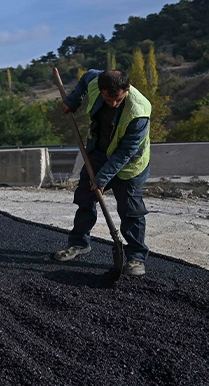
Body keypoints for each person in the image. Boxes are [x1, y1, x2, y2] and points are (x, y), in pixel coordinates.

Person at [53, 69, 151, 276]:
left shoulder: (139, 111)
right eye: (108, 99)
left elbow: (125, 152)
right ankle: (79, 244)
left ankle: (136, 257)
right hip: (98, 152)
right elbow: (86, 75)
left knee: (131, 210)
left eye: (117, 99)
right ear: (101, 90)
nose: (112, 104)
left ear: (127, 89)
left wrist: (102, 178)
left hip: (129, 164)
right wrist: (73, 100)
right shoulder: (95, 81)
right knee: (84, 199)